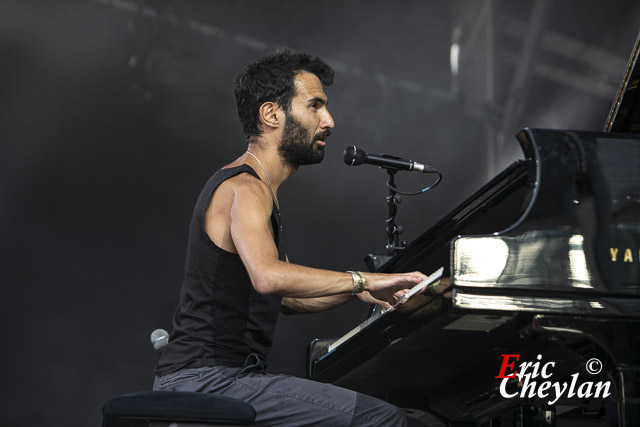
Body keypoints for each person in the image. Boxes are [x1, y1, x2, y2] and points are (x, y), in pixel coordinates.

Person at [153, 48, 432, 426]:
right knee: (384, 420)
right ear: (271, 114)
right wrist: (365, 278)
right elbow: (269, 277)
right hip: (210, 382)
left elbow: (286, 299)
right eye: (314, 105)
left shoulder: (257, 188)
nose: (329, 121)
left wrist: (358, 293)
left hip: (216, 380)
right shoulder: (244, 188)